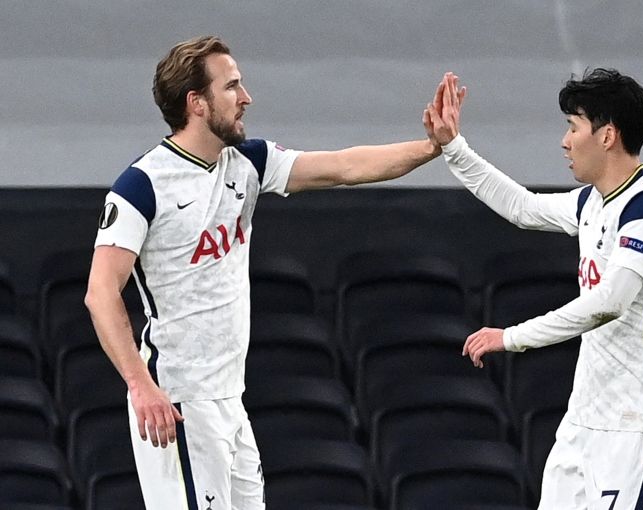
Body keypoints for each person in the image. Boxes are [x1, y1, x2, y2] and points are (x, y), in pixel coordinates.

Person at [84, 35, 454, 510]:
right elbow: (100, 293)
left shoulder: (248, 162)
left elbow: (343, 167)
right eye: (232, 86)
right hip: (179, 401)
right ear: (196, 103)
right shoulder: (141, 186)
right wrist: (140, 385)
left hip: (230, 400)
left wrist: (432, 148)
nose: (246, 98)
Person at [424, 69, 643, 509]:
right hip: (583, 419)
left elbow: (608, 304)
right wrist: (454, 147)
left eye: (573, 127)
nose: (565, 141)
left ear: (607, 136)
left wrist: (511, 337)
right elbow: (523, 207)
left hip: (637, 423)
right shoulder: (591, 202)